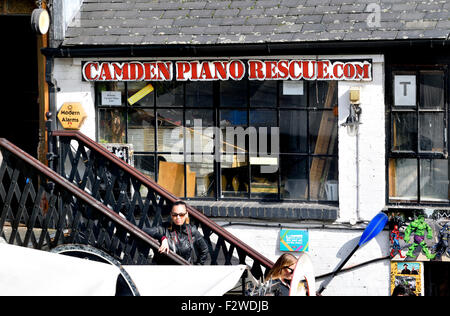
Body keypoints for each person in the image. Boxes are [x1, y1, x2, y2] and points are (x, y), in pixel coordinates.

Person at [144, 201, 209, 265]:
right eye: (175, 215)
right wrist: (162, 238)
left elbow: (204, 250)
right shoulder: (164, 228)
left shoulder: (192, 231)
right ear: (171, 215)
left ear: (186, 214)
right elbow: (144, 230)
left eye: (181, 214)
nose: (178, 217)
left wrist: (198, 265)